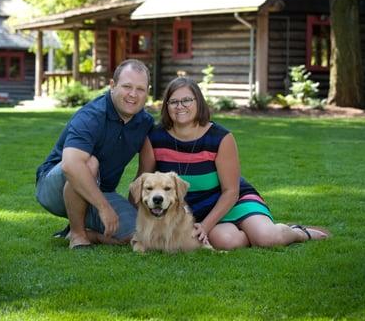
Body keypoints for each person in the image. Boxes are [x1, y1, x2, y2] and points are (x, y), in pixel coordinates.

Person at [137, 77, 329, 250]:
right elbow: (142, 183)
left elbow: (231, 191)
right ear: (166, 106)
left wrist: (205, 226)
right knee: (226, 241)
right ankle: (249, 233)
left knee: (268, 238)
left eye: (187, 100)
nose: (180, 106)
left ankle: (296, 232)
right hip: (191, 212)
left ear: (199, 103)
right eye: (174, 102)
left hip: (232, 201)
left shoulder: (220, 137)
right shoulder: (154, 138)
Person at [36, 59, 154, 249]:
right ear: (112, 86)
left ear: (147, 91)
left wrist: (133, 207)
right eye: (127, 87)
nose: (133, 94)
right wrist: (104, 208)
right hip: (53, 187)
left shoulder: (145, 122)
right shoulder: (92, 116)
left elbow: (147, 166)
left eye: (140, 89)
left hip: (101, 190)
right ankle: (77, 235)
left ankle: (91, 234)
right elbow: (71, 165)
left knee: (137, 234)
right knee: (88, 163)